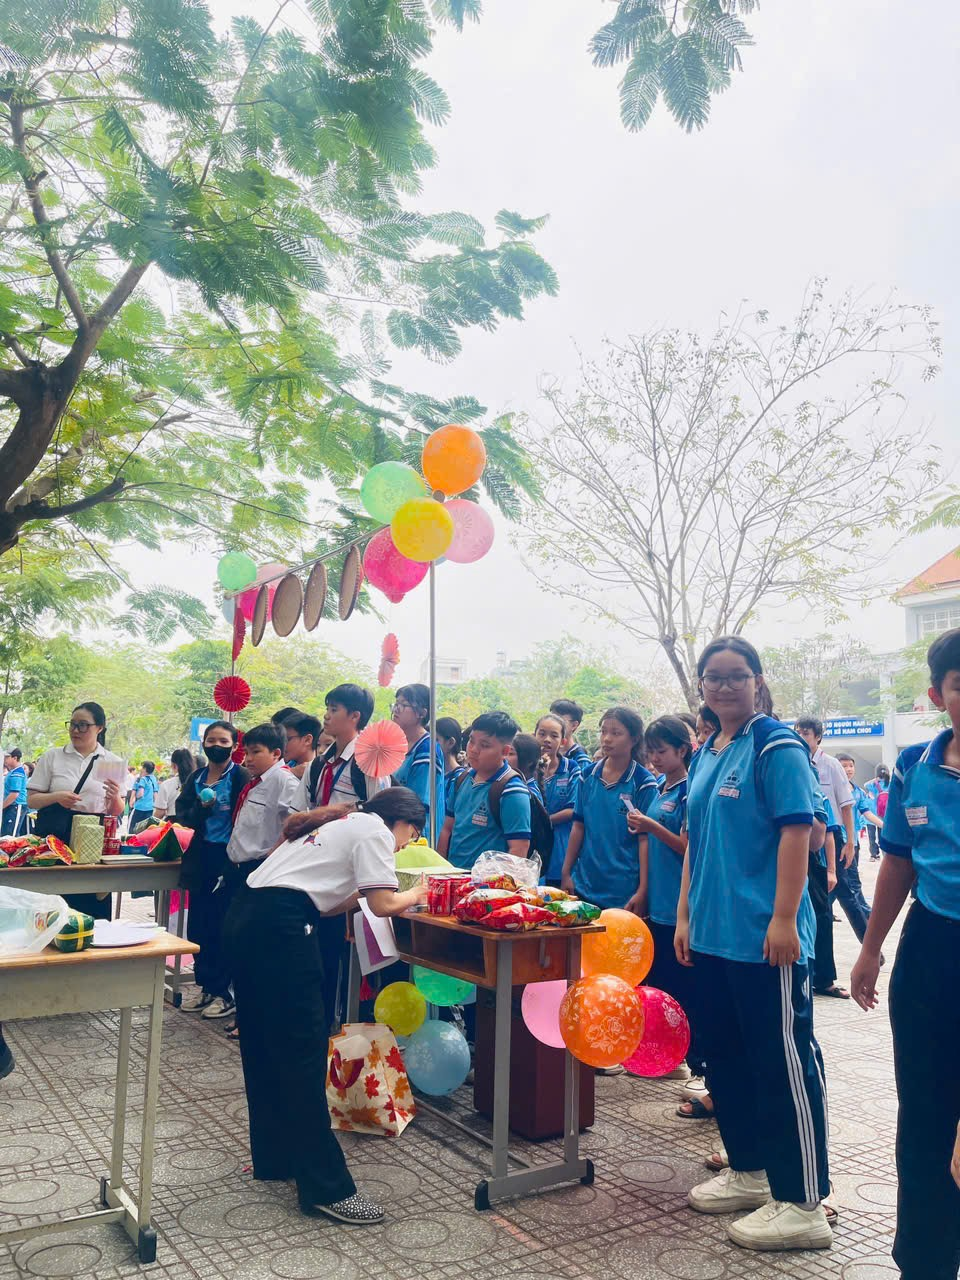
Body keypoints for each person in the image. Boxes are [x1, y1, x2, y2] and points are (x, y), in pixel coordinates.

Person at [676, 638, 830, 1252]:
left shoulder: (776, 745)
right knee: (726, 1058)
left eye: (736, 676)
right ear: (701, 686)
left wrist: (785, 918)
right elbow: (695, 840)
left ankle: (802, 1202)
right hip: (713, 936)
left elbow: (800, 833)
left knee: (782, 1063)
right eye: (713, 678)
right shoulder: (707, 750)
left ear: (758, 681)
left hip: (767, 939)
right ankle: (749, 1170)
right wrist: (685, 916)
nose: (724, 687)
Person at [223, 787, 428, 1225]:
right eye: (411, 836)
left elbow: (328, 901)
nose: (405, 846)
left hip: (247, 917)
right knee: (302, 1053)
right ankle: (325, 1186)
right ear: (404, 823)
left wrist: (363, 894)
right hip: (282, 931)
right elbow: (384, 904)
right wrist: (417, 893)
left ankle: (276, 1157)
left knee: (264, 1045)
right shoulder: (375, 831)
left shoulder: (340, 822)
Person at [850, 627, 960, 1280]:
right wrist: (870, 950)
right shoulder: (916, 766)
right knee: (925, 1112)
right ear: (938, 695)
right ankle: (924, 1262)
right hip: (932, 951)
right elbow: (896, 863)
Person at [284, 686, 386, 1029]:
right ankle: (315, 1025)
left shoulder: (369, 762)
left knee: (341, 957)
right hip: (312, 868)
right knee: (313, 953)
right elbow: (299, 814)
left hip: (349, 875)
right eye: (327, 707)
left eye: (334, 708)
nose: (326, 715)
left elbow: (380, 818)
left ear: (355, 716)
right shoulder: (318, 765)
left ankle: (336, 1030)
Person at [625, 716, 708, 1099]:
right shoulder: (662, 787)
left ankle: (698, 1064)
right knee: (664, 986)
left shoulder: (691, 790)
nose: (655, 758)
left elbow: (688, 847)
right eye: (651, 751)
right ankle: (669, 1056)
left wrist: (650, 825)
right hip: (658, 901)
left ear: (682, 750)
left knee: (687, 990)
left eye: (662, 751)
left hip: (680, 903)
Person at [175, 721, 250, 1020]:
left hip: (228, 858)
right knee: (199, 926)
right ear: (203, 743)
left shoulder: (240, 776)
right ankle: (206, 985)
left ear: (234, 745)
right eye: (211, 740)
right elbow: (183, 817)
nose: (216, 745)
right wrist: (201, 808)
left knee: (222, 926)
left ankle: (224, 993)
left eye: (223, 741)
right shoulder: (196, 777)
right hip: (200, 857)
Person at [28, 702, 124, 920]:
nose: (75, 730)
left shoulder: (111, 761)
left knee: (91, 904)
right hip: (54, 838)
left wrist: (115, 797)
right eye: (72, 724)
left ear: (99, 728)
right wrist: (56, 797)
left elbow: (115, 811)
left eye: (83, 725)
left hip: (93, 841)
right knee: (52, 905)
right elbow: (32, 801)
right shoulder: (53, 757)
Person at [562, 707, 657, 910]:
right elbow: (578, 826)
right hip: (584, 884)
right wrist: (566, 872)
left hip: (624, 890)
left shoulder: (643, 782)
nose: (606, 739)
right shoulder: (587, 776)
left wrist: (643, 890)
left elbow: (645, 840)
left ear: (634, 739)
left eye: (616, 733)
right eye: (603, 731)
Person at [796, 717, 870, 943]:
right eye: (798, 732)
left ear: (818, 737)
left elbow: (846, 805)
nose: (800, 737)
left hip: (833, 837)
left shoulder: (830, 765)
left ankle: (871, 947)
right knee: (825, 897)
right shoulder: (796, 761)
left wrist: (850, 842)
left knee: (846, 895)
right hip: (808, 837)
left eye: (806, 733)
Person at [438, 711, 531, 870]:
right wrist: (440, 871)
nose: (473, 749)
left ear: (505, 752)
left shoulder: (512, 791)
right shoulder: (460, 779)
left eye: (485, 745)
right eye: (471, 741)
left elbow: (519, 848)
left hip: (487, 882)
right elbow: (447, 829)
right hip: (453, 876)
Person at [392, 684, 444, 836]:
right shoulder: (397, 743)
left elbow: (417, 802)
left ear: (422, 713)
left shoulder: (426, 749)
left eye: (403, 705)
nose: (396, 709)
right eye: (396, 704)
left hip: (416, 832)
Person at [535, 713, 581, 888]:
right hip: (533, 849)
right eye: (542, 733)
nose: (547, 740)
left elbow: (573, 809)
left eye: (554, 735)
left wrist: (543, 822)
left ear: (563, 741)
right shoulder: (526, 767)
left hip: (561, 849)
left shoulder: (571, 768)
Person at [549, 698, 591, 771]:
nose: (553, 724)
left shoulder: (580, 759)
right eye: (551, 719)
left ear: (574, 725)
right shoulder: (545, 751)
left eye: (560, 720)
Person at [154, 749, 196, 819]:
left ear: (174, 765)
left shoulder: (167, 784)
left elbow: (160, 812)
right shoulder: (197, 782)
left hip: (174, 822)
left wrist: (148, 824)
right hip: (194, 822)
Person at [437, 717, 467, 807]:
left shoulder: (460, 778)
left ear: (450, 742)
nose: (429, 745)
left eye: (435, 740)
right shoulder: (434, 773)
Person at [507, 733, 545, 802]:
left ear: (529, 762)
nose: (504, 757)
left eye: (510, 753)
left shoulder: (527, 795)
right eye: (505, 752)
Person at [282, 713, 322, 779]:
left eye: (287, 739)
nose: (282, 744)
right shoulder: (289, 765)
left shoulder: (319, 773)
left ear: (307, 740)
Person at [864, 764, 890, 860]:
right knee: (881, 836)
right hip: (882, 815)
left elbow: (865, 785)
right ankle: (883, 854)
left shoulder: (873, 784)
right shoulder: (889, 783)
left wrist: (875, 779)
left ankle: (874, 854)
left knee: (871, 837)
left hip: (871, 815)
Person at [2, 748, 28, 837]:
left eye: (7, 757)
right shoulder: (12, 772)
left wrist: (2, 806)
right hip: (11, 806)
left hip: (16, 806)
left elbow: (14, 794)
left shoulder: (17, 773)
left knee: (9, 836)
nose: (4, 759)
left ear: (15, 758)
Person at [129, 761, 159, 831]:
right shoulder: (154, 779)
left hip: (140, 808)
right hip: (150, 809)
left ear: (145, 769)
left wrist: (136, 797)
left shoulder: (143, 779)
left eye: (142, 767)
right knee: (146, 830)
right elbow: (155, 795)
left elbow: (140, 794)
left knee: (133, 829)